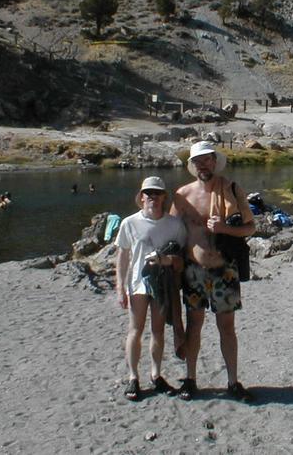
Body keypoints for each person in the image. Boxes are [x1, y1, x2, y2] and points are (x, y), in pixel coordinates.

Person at [170, 141, 256, 402]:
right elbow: (170, 231)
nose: (202, 165)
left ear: (214, 161)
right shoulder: (182, 195)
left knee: (227, 327)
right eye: (197, 161)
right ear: (192, 165)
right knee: (194, 325)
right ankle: (190, 379)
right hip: (193, 271)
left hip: (224, 269)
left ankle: (233, 381)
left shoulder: (231, 189)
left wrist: (225, 229)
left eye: (206, 159)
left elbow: (250, 228)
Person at [114, 176, 187, 401]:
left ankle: (156, 374)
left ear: (164, 197)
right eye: (148, 193)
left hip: (163, 284)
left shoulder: (175, 225)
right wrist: (120, 287)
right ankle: (133, 377)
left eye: (157, 193)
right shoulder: (129, 223)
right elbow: (122, 255)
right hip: (138, 284)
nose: (153, 197)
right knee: (135, 330)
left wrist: (167, 260)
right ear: (142, 197)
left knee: (158, 330)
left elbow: (181, 257)